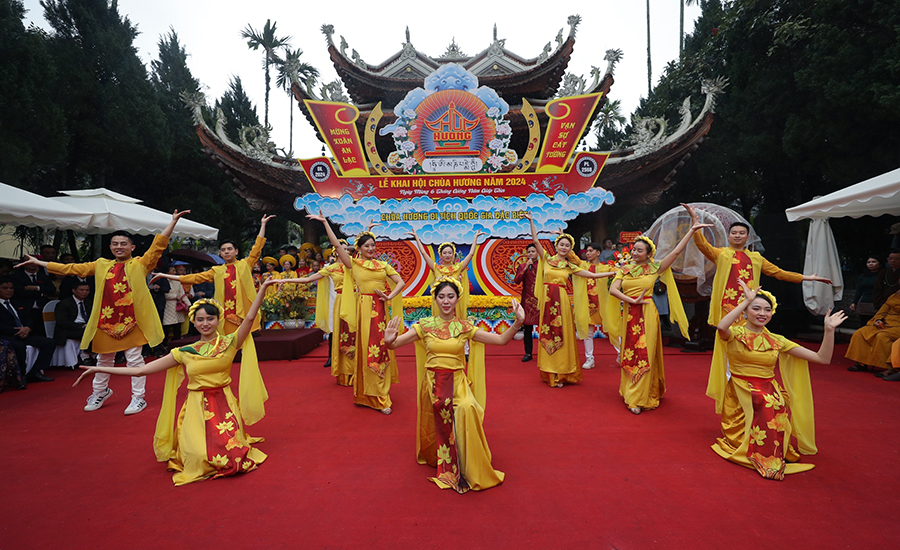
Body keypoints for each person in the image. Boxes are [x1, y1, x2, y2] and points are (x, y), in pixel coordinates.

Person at [73, 277, 277, 485]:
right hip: (196, 408)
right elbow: (141, 370)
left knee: (231, 457)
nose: (205, 323)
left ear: (218, 320)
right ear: (194, 322)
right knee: (197, 457)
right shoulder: (183, 353)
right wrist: (99, 368)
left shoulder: (230, 342)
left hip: (224, 405)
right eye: (200, 319)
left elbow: (250, 318)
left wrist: (264, 288)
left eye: (209, 319)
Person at [17, 210, 190, 415]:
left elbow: (158, 245)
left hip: (134, 321)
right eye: (115, 244)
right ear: (110, 247)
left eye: (123, 243)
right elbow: (71, 269)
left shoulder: (140, 264)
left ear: (132, 247)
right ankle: (100, 391)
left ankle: (138, 397)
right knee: (103, 360)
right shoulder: (101, 265)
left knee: (135, 361)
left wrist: (172, 222)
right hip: (105, 322)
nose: (119, 247)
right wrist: (39, 263)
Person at [683, 204, 832, 409]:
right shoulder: (722, 254)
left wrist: (807, 278)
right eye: (733, 233)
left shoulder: (756, 258)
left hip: (751, 311)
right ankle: (731, 385)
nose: (737, 235)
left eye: (741, 233)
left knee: (751, 346)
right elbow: (702, 245)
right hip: (728, 310)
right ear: (728, 236)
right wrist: (695, 223)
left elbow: (779, 273)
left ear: (748, 237)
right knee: (728, 348)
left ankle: (752, 383)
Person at [384, 277, 524, 493]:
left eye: (450, 296)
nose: (446, 301)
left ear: (457, 299)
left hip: (457, 381)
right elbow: (394, 346)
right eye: (441, 296)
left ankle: (470, 466)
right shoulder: (425, 325)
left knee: (467, 409)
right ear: (435, 299)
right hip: (432, 383)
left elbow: (500, 341)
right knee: (440, 419)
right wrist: (388, 340)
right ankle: (443, 459)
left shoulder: (465, 326)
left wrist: (517, 323)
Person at [710, 280, 846, 480]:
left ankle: (770, 452)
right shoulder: (735, 334)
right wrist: (744, 301)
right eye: (755, 308)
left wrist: (829, 331)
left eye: (767, 309)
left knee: (774, 402)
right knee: (765, 401)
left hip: (768, 388)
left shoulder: (778, 340)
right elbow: (721, 326)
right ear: (745, 311)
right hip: (741, 388)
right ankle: (763, 457)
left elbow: (822, 359)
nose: (762, 313)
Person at [607, 215, 709, 414]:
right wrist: (630, 300)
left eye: (639, 250)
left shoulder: (655, 268)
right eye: (634, 249)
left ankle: (640, 395)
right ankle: (631, 391)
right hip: (630, 313)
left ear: (648, 253)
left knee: (645, 352)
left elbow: (676, 251)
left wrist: (692, 230)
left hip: (647, 313)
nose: (635, 253)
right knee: (631, 353)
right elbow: (614, 290)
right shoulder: (624, 269)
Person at [308, 213, 405, 414]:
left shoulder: (383, 265)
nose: (371, 249)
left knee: (380, 348)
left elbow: (400, 282)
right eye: (367, 246)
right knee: (365, 349)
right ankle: (365, 394)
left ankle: (380, 394)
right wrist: (326, 223)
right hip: (363, 308)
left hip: (380, 310)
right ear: (358, 248)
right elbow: (336, 246)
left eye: (373, 246)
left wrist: (389, 297)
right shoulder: (353, 264)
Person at [523, 213, 615, 388]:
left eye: (567, 245)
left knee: (562, 334)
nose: (563, 247)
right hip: (548, 300)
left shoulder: (570, 265)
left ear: (570, 249)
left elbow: (592, 275)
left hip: (562, 301)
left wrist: (612, 273)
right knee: (548, 334)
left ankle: (563, 372)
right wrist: (531, 222)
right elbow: (535, 241)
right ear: (556, 246)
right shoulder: (547, 259)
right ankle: (550, 371)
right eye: (561, 244)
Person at [279, 239, 357, 384]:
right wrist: (287, 281)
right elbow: (309, 279)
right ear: (336, 252)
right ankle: (344, 372)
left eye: (348, 250)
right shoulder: (331, 268)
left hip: (354, 302)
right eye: (343, 249)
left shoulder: (354, 265)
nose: (346, 252)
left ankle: (357, 371)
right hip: (339, 302)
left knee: (354, 335)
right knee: (340, 334)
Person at [409, 230, 485, 319]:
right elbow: (424, 253)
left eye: (450, 253)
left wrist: (475, 238)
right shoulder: (436, 268)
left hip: (455, 304)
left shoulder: (458, 268)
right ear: (440, 255)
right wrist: (417, 238)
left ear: (453, 255)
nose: (447, 255)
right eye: (444, 253)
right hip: (441, 303)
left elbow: (471, 254)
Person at [0, 276, 55, 384]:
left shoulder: (17, 302)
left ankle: (35, 372)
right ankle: (20, 377)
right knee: (19, 347)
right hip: (7, 336)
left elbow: (29, 318)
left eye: (11, 288)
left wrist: (28, 328)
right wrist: (17, 331)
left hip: (24, 333)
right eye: (5, 288)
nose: (9, 290)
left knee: (50, 342)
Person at [844, 287, 900, 373]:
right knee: (860, 333)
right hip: (885, 324)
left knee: (882, 337)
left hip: (897, 327)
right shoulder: (894, 296)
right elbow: (882, 312)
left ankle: (890, 368)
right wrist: (878, 320)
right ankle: (861, 363)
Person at [579, 242, 615, 370]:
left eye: (590, 251)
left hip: (603, 305)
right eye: (586, 251)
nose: (587, 253)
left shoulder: (606, 268)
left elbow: (620, 271)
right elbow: (571, 257)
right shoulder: (582, 265)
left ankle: (622, 354)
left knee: (612, 329)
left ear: (598, 253)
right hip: (587, 304)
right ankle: (590, 358)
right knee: (588, 332)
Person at [54, 280, 94, 368]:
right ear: (74, 290)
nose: (84, 292)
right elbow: (62, 322)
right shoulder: (64, 304)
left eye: (87, 290)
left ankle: (92, 354)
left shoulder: (88, 302)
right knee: (86, 332)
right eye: (81, 290)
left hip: (85, 326)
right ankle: (87, 355)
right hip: (68, 330)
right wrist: (81, 326)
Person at [513, 243, 540, 362]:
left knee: (544, 328)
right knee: (527, 328)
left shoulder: (543, 266)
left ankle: (546, 352)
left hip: (541, 299)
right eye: (529, 252)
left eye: (533, 251)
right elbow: (517, 280)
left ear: (538, 253)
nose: (531, 254)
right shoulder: (523, 265)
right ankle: (528, 353)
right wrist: (525, 268)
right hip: (528, 299)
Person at [849, 256, 883, 330]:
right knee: (864, 325)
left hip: (878, 303)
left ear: (879, 263)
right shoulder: (863, 276)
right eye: (868, 262)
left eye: (873, 262)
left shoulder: (883, 275)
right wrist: (854, 302)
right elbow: (859, 290)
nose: (870, 264)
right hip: (865, 302)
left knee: (876, 324)